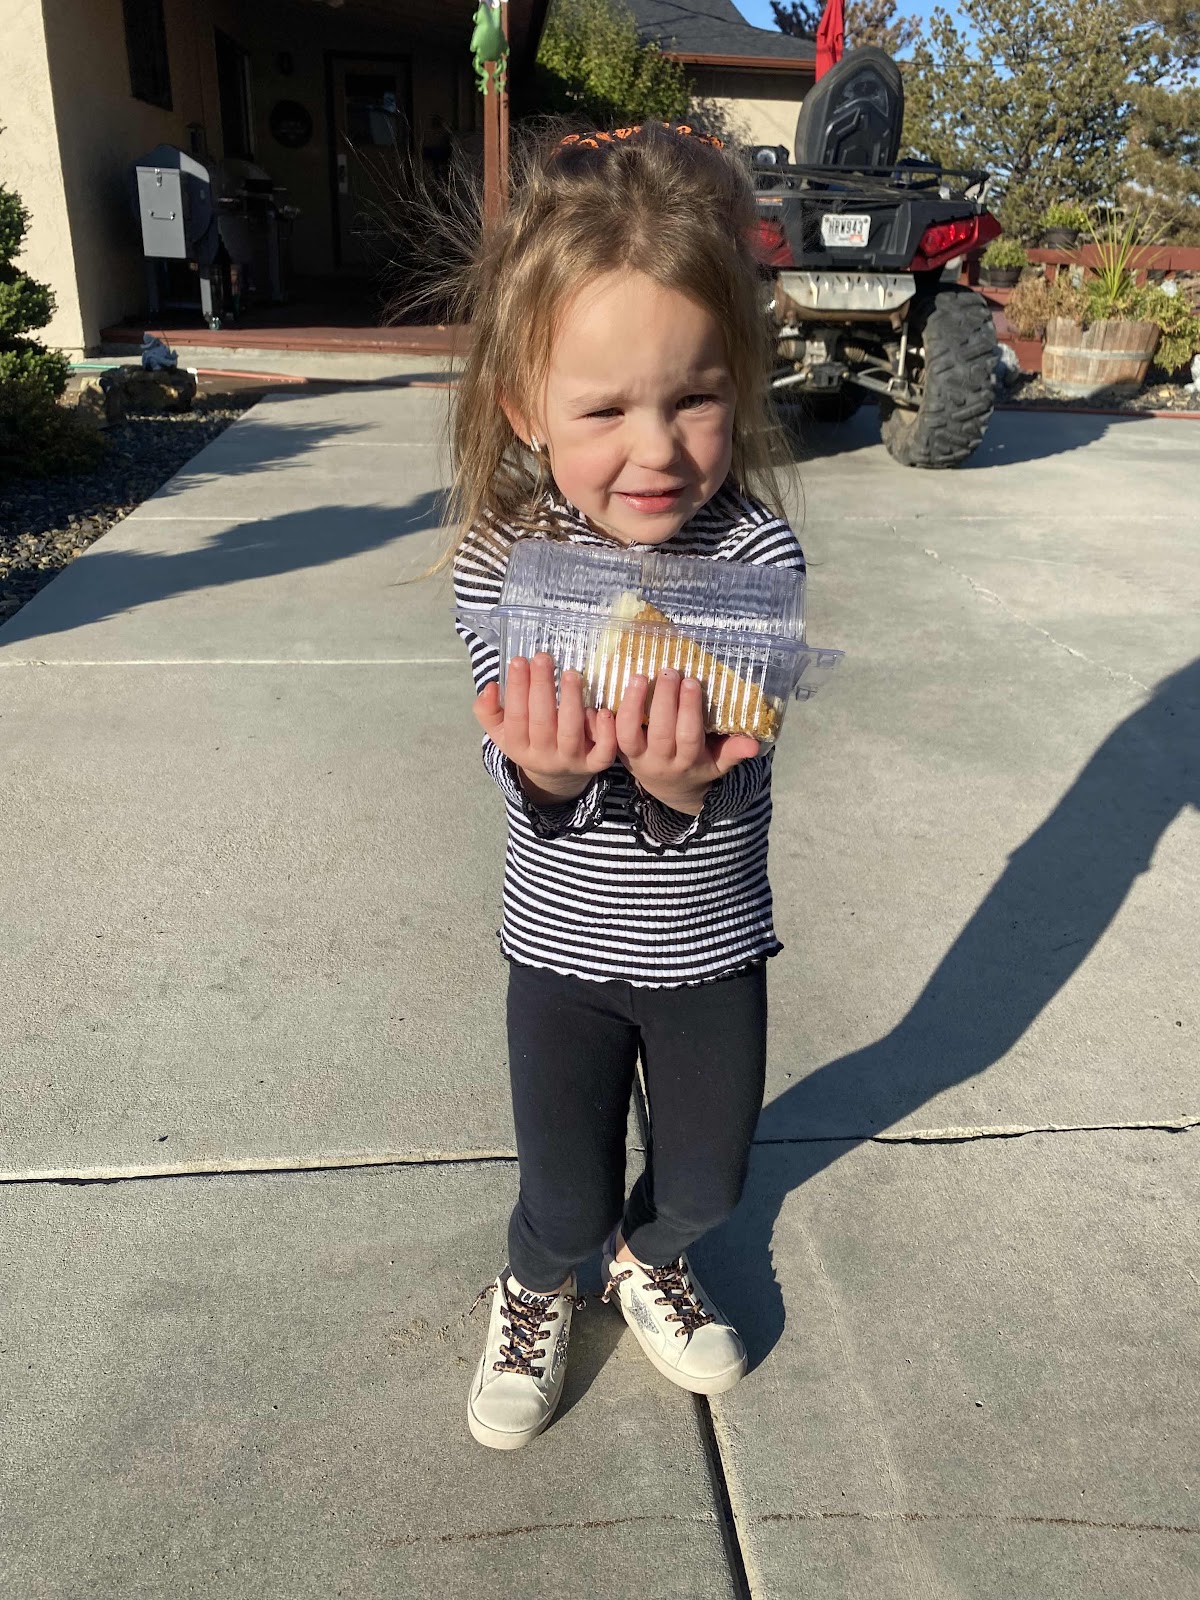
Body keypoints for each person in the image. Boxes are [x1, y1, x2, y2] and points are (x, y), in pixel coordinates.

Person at [447, 123, 806, 1451]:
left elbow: (749, 754)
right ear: (524, 408)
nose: (656, 450)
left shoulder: (756, 554)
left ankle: (649, 1257)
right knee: (560, 1195)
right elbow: (508, 746)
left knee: (707, 1182)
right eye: (603, 411)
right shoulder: (501, 561)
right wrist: (543, 772)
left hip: (711, 949)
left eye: (694, 398)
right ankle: (538, 1281)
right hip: (561, 954)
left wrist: (682, 790)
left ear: (739, 382)